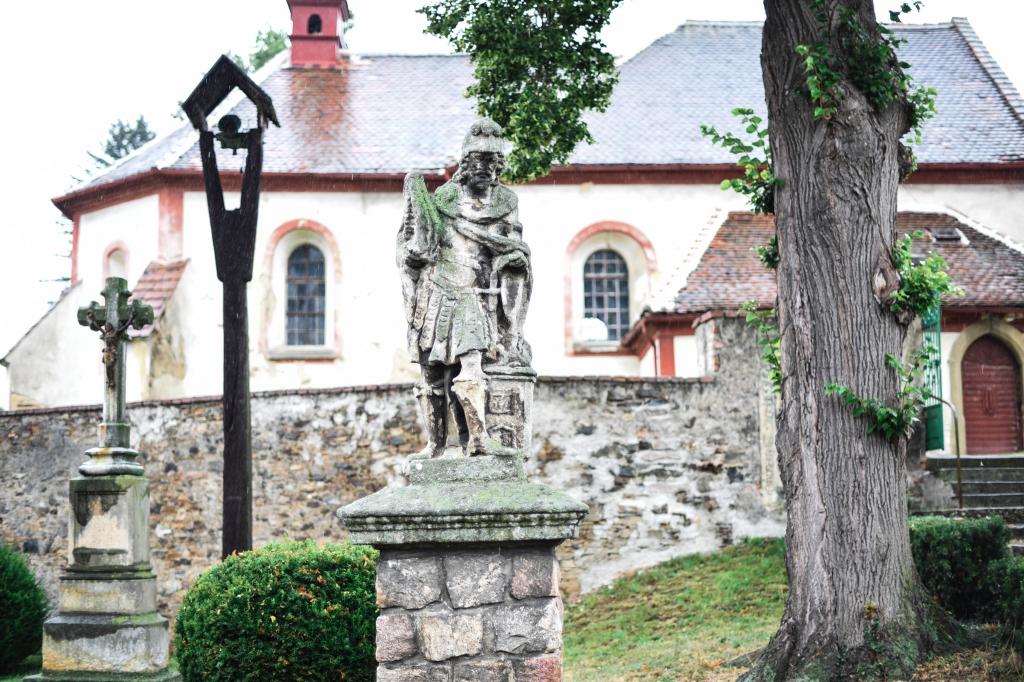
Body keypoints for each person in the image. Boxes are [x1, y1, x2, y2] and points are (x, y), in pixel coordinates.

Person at [397, 118, 532, 458]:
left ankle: (479, 438)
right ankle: (435, 445)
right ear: (466, 163)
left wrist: (513, 259)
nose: (486, 168)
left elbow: (512, 245)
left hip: (474, 295)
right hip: (436, 291)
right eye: (479, 160)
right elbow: (420, 245)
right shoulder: (442, 200)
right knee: (432, 374)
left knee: (471, 367)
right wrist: (413, 254)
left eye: (493, 161)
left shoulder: (506, 202)